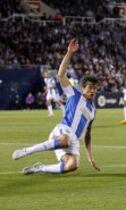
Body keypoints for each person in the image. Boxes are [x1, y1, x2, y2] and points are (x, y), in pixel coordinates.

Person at [12, 39, 100, 175]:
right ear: (83, 88)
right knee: (66, 140)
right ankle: (27, 151)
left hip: (73, 141)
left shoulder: (93, 111)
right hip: (63, 131)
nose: (93, 90)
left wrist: (90, 157)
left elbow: (88, 135)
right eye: (90, 87)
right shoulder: (74, 94)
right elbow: (61, 74)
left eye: (95, 88)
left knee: (72, 165)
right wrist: (69, 53)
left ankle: (40, 168)